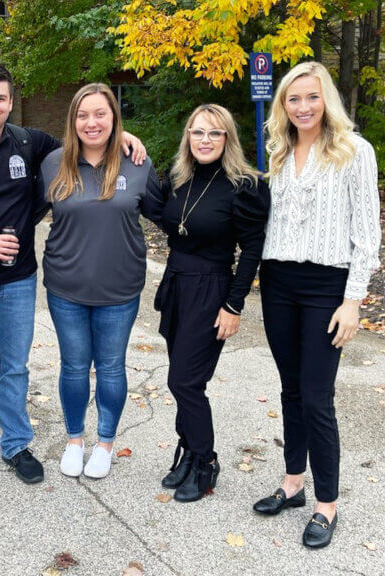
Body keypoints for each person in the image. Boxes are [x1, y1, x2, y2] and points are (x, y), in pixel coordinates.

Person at [0, 63, 146, 488]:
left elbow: (86, 140)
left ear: (10, 102)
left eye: (0, 98)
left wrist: (124, 136)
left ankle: (16, 443)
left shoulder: (30, 144)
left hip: (19, 281)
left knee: (15, 368)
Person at [253, 62, 380, 548]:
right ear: (283, 105)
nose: (302, 107)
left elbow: (367, 237)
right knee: (289, 389)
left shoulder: (355, 152)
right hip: (279, 280)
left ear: (326, 99)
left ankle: (327, 505)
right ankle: (293, 484)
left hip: (328, 286)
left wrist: (353, 302)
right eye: (293, 99)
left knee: (316, 396)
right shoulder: (279, 151)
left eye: (311, 97)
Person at [39, 83, 164, 479]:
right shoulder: (53, 162)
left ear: (114, 118)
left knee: (111, 368)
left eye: (101, 114)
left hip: (120, 290)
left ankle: (105, 444)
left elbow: (170, 214)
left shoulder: (138, 163)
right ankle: (75, 440)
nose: (91, 122)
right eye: (83, 115)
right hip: (66, 289)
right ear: (72, 120)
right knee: (74, 368)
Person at [154, 104, 270, 502]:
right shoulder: (178, 179)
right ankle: (188, 454)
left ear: (227, 139)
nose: (205, 140)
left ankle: (205, 461)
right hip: (176, 284)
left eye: (214, 133)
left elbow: (253, 249)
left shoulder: (245, 185)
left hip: (211, 288)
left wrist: (234, 306)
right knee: (186, 380)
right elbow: (161, 214)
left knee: (184, 381)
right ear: (188, 136)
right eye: (198, 132)